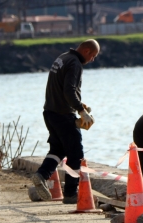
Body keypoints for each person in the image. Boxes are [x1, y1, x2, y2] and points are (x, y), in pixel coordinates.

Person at [31, 39, 100, 204]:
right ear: (87, 51)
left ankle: (41, 175)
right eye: (93, 56)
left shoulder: (62, 57)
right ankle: (70, 194)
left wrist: (78, 104)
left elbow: (62, 89)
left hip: (50, 112)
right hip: (63, 115)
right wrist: (81, 111)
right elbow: (68, 89)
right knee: (76, 153)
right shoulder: (75, 63)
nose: (93, 60)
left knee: (58, 149)